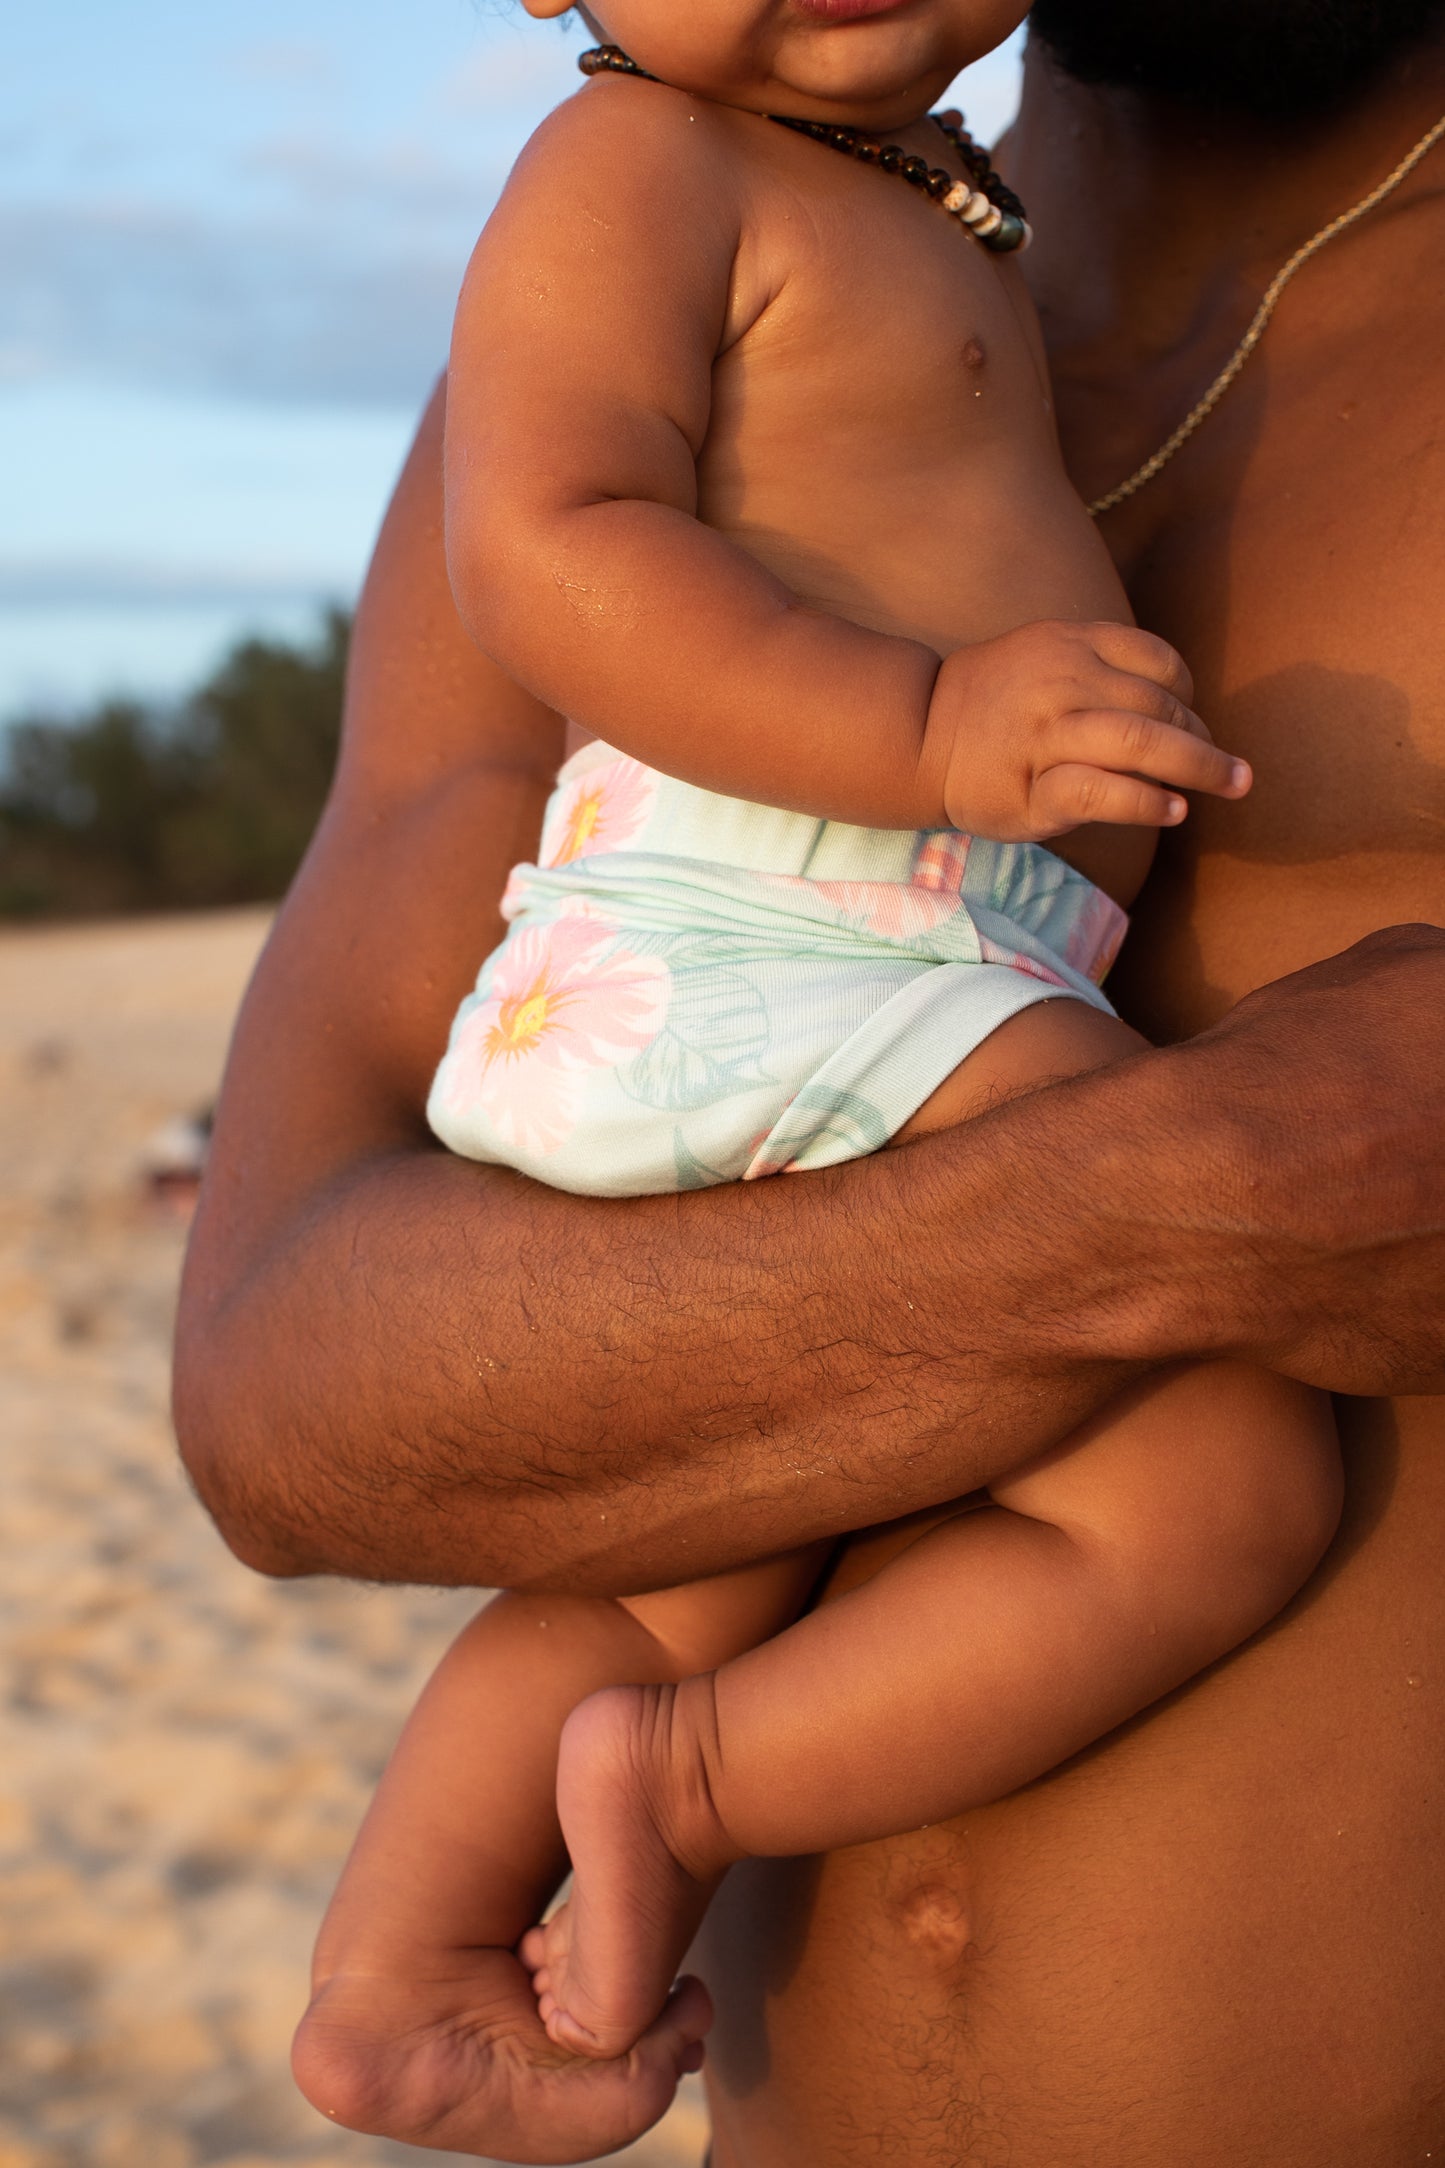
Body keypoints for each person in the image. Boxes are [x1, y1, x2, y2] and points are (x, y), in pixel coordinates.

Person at [173, 1, 1445, 2160]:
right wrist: (1149, 1213)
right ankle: (419, 1940)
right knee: (708, 1578)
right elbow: (286, 1395)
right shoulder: (625, 328)